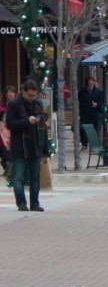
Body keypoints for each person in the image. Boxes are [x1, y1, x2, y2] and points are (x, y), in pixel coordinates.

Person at [6, 80, 50, 212]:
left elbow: (43, 126)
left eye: (34, 95)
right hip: (19, 146)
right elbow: (10, 124)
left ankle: (34, 203)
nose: (32, 98)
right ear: (23, 92)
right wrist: (27, 121)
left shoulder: (38, 103)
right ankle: (21, 203)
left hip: (35, 145)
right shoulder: (14, 104)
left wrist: (46, 148)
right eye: (30, 95)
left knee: (34, 177)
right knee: (18, 177)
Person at [78, 76, 104, 149]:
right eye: (89, 81)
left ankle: (94, 145)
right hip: (85, 113)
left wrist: (97, 104)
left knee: (95, 129)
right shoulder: (82, 92)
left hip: (94, 113)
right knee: (84, 129)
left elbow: (101, 102)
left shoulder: (98, 92)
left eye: (92, 81)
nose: (91, 83)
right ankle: (84, 144)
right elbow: (80, 101)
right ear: (87, 82)